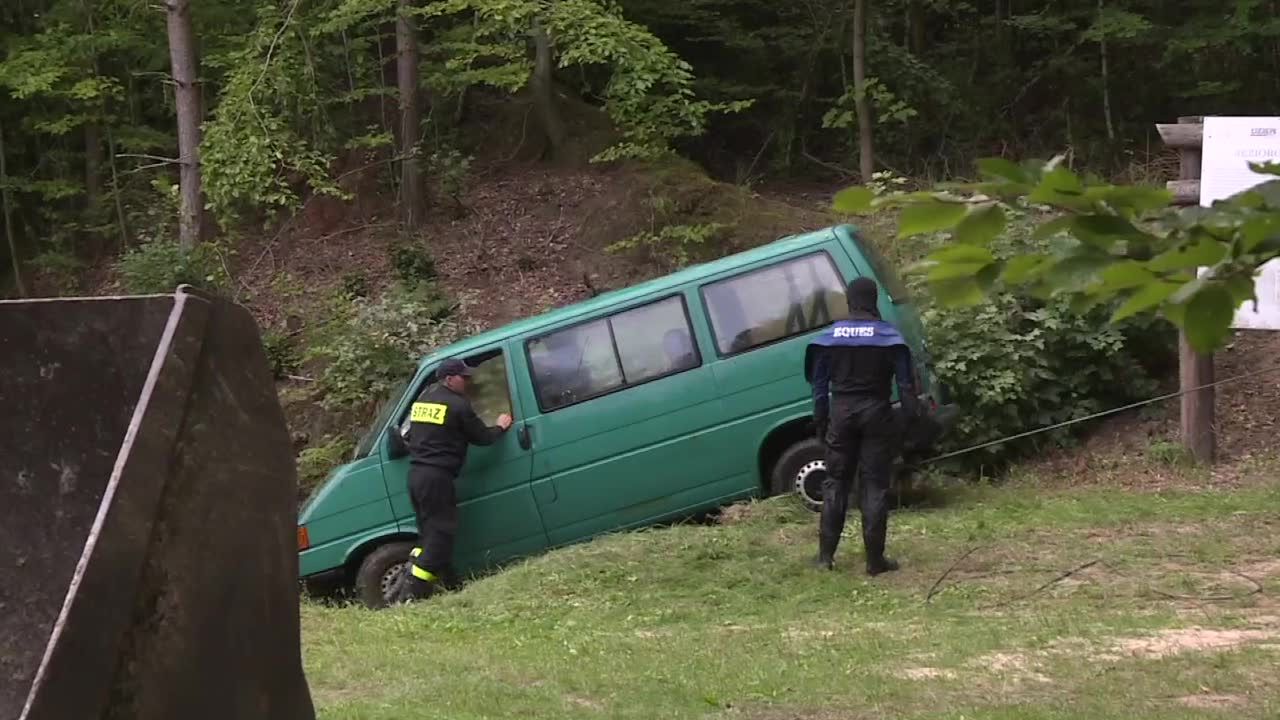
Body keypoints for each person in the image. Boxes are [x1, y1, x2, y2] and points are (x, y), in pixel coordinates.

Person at [803, 277, 918, 576]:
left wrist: (821, 421)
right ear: (874, 300)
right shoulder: (890, 337)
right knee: (875, 485)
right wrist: (909, 424)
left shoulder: (828, 338)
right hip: (877, 412)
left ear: (850, 301)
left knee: (836, 482)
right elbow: (906, 387)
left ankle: (825, 558)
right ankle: (874, 561)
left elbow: (819, 386)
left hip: (841, 412)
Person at [394, 357, 513, 602]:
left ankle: (450, 583)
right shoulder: (458, 405)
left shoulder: (424, 400)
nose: (468, 382)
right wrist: (500, 426)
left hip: (417, 477)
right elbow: (482, 437)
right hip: (437, 478)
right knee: (441, 535)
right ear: (449, 379)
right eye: (463, 377)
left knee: (429, 534)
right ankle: (412, 595)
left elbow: (409, 435)